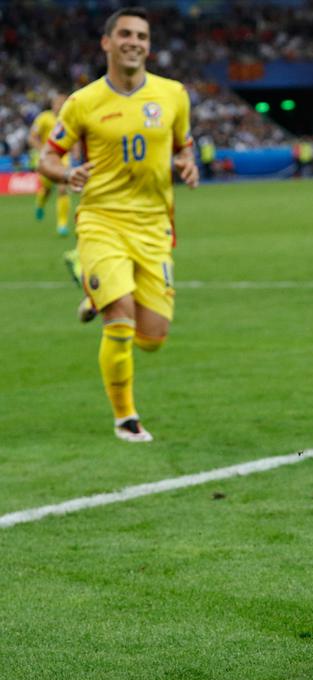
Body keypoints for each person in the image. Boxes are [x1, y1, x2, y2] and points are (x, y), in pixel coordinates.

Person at [38, 6, 198, 443]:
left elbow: (185, 145)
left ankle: (91, 289)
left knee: (153, 337)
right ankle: (125, 418)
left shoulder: (173, 95)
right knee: (121, 319)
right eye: (125, 34)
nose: (135, 42)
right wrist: (63, 174)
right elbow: (47, 156)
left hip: (153, 226)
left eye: (142, 36)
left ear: (149, 45)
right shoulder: (83, 102)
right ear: (107, 43)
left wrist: (187, 163)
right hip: (101, 219)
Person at [29, 92, 73, 237]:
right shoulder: (43, 118)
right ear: (52, 104)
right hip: (45, 158)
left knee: (62, 188)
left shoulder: (69, 118)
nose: (60, 106)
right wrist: (44, 151)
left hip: (63, 158)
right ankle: (40, 203)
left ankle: (62, 225)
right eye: (57, 103)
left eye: (63, 103)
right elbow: (32, 138)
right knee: (47, 190)